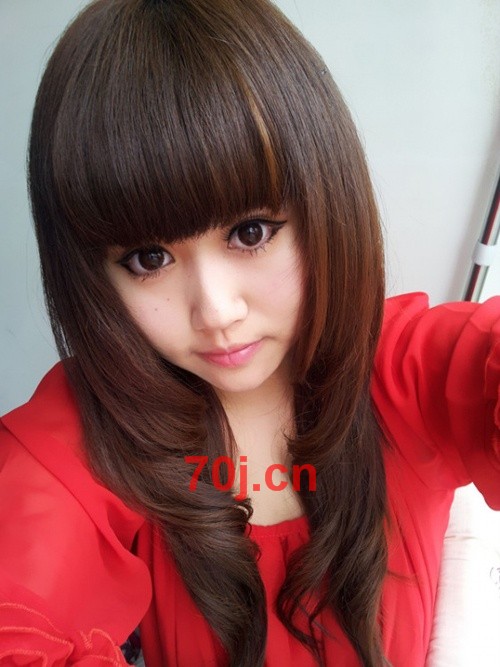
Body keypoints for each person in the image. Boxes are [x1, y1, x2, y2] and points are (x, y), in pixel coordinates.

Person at [0, 0, 498, 665]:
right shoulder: (87, 430)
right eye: (148, 258)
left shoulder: (404, 367)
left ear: (325, 203)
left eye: (250, 232)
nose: (216, 310)